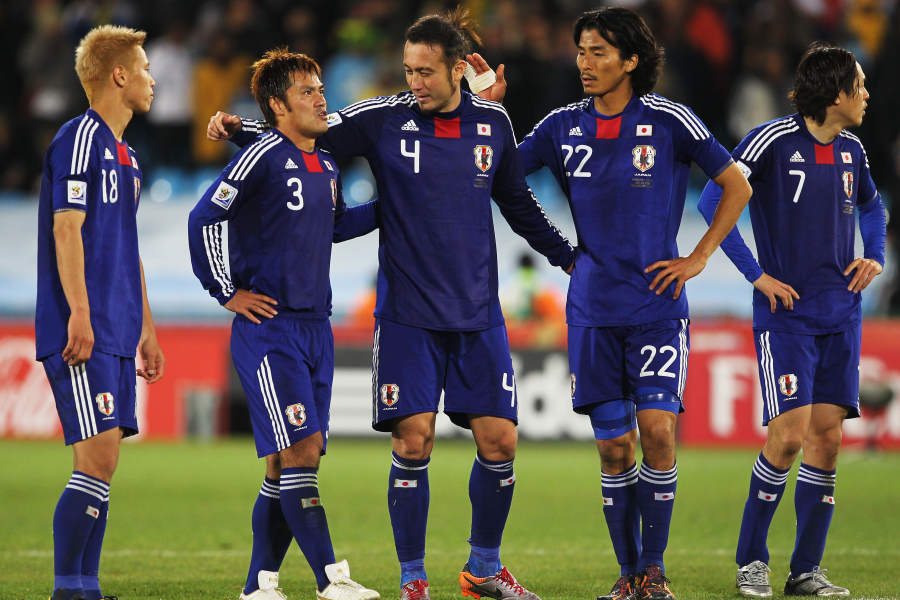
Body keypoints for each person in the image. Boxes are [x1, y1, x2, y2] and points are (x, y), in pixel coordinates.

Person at [208, 9, 575, 600]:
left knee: (500, 442)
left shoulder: (494, 124)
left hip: (478, 310)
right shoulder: (382, 118)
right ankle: (413, 579)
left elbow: (517, 201)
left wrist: (567, 257)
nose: (415, 82)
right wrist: (242, 129)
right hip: (406, 313)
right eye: (408, 70)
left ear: (459, 69)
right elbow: (306, 134)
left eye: (427, 71)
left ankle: (484, 568)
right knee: (414, 441)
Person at [497, 7, 752, 600]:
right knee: (614, 447)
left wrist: (698, 257)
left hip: (657, 304)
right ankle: (628, 573)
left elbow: (735, 183)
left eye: (599, 52)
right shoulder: (561, 126)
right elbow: (499, 172)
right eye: (581, 51)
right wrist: (489, 108)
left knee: (657, 431)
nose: (585, 63)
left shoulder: (669, 121)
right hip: (591, 306)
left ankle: (654, 571)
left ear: (631, 60)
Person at [188, 48, 380, 600]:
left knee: (288, 461)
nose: (321, 97)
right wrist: (226, 292)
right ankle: (331, 580)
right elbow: (205, 216)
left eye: (321, 87)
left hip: (314, 326)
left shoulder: (326, 163)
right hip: (269, 329)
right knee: (301, 449)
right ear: (278, 105)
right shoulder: (262, 155)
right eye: (307, 91)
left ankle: (259, 585)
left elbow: (338, 225)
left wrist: (396, 204)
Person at [698, 42, 885, 598]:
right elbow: (714, 200)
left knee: (826, 441)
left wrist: (873, 252)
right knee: (787, 437)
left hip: (841, 314)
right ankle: (751, 561)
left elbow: (874, 206)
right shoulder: (772, 140)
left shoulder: (852, 149)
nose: (867, 93)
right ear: (834, 91)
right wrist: (756, 275)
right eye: (860, 84)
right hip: (787, 317)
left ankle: (806, 571)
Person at [35, 25, 165, 600]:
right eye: (142, 67)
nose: (150, 78)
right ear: (118, 75)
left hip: (116, 326)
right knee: (96, 457)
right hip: (83, 328)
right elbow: (68, 229)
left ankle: (85, 588)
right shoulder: (79, 138)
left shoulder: (127, 156)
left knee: (104, 463)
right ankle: (69, 590)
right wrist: (79, 314)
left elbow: (126, 246)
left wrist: (149, 330)